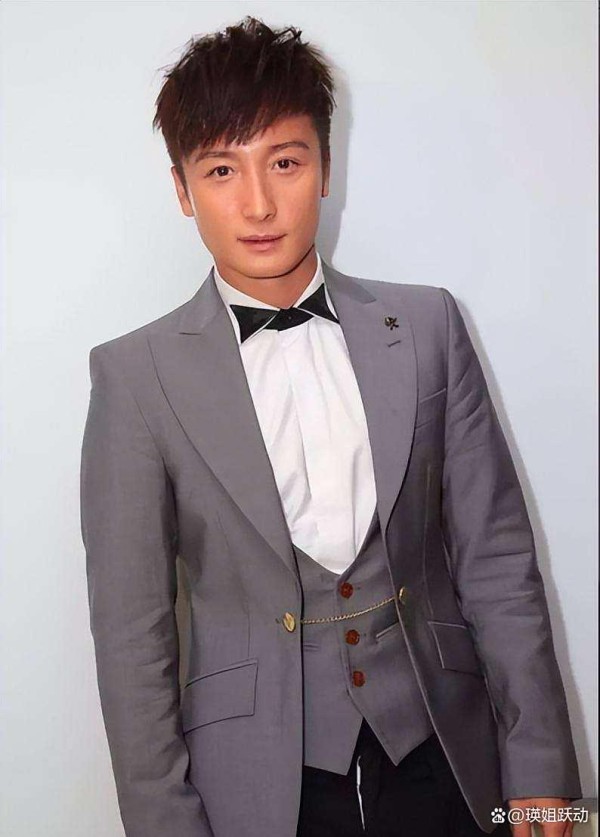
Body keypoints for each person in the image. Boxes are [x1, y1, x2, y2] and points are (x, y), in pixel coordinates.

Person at [80, 15, 583, 837]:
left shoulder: (427, 327)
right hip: (254, 791)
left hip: (447, 758)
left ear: (324, 166)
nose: (257, 203)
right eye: (221, 170)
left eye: (285, 161)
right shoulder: (135, 378)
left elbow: (497, 561)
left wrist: (541, 770)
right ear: (182, 189)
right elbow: (131, 638)